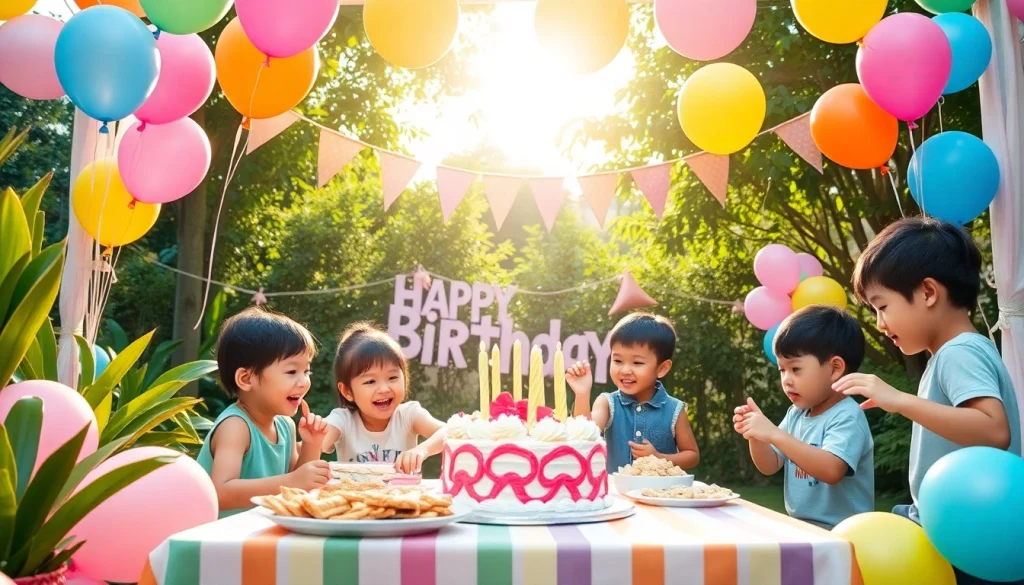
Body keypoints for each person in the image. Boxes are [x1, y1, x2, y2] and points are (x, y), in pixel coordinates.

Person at [835, 217, 1021, 585]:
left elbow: (992, 429)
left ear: (928, 292)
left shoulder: (959, 352)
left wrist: (898, 400)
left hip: (970, 540)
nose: (879, 323)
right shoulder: (953, 354)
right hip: (960, 532)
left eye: (882, 306)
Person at [734, 305, 874, 529]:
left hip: (844, 533)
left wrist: (773, 433)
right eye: (782, 370)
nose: (787, 380)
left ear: (835, 368)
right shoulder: (796, 414)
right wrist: (756, 436)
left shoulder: (847, 416)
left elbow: (831, 470)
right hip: (802, 527)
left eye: (796, 369)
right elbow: (770, 465)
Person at [197, 307, 331, 517]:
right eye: (291, 371)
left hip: (259, 535)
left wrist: (312, 444)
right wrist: (293, 481)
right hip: (219, 540)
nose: (304, 381)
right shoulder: (235, 426)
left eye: (307, 371)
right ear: (247, 379)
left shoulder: (285, 425)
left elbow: (297, 490)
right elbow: (220, 492)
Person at [566, 312, 700, 473]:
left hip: (659, 494)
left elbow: (692, 456)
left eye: (637, 362)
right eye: (617, 360)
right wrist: (581, 394)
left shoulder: (674, 409)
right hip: (617, 494)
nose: (625, 370)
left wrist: (658, 457)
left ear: (662, 368)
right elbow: (585, 435)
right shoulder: (608, 403)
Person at [321, 322, 446, 475]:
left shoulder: (408, 415)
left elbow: (450, 432)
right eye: (370, 381)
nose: (384, 389)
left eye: (392, 377)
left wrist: (422, 450)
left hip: (403, 498)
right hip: (355, 498)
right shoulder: (342, 420)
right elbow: (316, 443)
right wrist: (312, 437)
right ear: (347, 391)